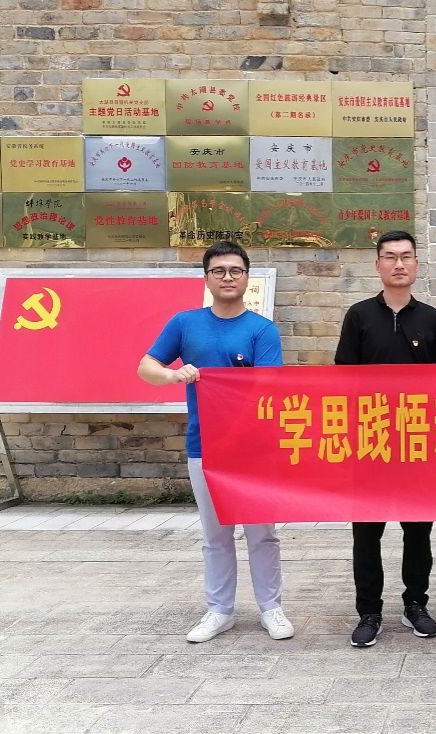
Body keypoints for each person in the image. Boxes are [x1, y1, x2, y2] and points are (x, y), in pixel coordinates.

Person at [137, 241, 295, 644]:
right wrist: (174, 375)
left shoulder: (261, 329)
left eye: (235, 271)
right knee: (215, 534)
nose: (228, 277)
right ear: (206, 278)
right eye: (219, 271)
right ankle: (219, 610)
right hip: (204, 446)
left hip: (254, 450)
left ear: (247, 277)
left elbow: (270, 387)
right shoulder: (185, 323)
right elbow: (147, 366)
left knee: (262, 533)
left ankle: (271, 608)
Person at [335, 230, 436, 647]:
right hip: (370, 442)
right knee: (367, 533)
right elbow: (343, 379)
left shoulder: (432, 319)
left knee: (418, 531)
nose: (398, 264)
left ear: (416, 264)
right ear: (378, 264)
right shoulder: (359, 316)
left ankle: (416, 603)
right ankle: (369, 611)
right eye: (390, 257)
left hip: (418, 443)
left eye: (406, 257)